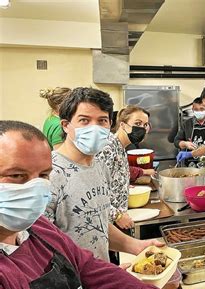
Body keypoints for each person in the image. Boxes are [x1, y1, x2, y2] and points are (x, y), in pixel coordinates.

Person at [0, 120, 165, 289]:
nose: (35, 187)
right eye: (16, 175)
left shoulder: (39, 228)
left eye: (43, 175)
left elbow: (88, 267)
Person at [45, 87, 161, 262]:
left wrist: (135, 246)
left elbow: (97, 222)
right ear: (66, 125)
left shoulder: (99, 166)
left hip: (100, 277)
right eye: (84, 120)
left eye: (102, 121)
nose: (94, 128)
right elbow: (40, 249)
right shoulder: (49, 175)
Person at [95, 105, 153, 230]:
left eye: (145, 125)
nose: (141, 128)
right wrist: (117, 216)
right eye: (137, 123)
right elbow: (94, 192)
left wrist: (123, 185)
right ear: (122, 125)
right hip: (106, 222)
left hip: (113, 220)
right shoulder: (108, 147)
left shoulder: (120, 147)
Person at [174, 97, 205, 166]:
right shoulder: (187, 124)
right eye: (196, 109)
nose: (199, 112)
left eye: (202, 109)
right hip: (191, 163)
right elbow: (176, 141)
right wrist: (185, 143)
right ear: (193, 109)